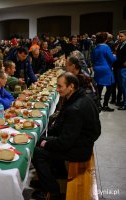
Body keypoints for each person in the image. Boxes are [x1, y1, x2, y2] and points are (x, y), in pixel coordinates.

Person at [32, 72, 101, 200]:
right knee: (42, 140)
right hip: (81, 142)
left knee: (37, 152)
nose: (57, 90)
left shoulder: (75, 108)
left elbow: (63, 143)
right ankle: (54, 175)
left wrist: (45, 143)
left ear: (71, 86)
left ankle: (52, 191)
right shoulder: (81, 97)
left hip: (79, 149)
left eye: (60, 86)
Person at [91, 32, 116, 112]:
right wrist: (115, 56)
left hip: (97, 69)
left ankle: (98, 105)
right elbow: (111, 59)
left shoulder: (95, 48)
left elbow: (93, 59)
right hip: (106, 69)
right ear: (105, 39)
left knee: (99, 87)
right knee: (109, 88)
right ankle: (105, 105)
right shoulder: (106, 47)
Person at [115, 30, 126, 110]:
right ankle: (124, 101)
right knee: (121, 86)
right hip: (119, 67)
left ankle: (125, 104)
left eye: (122, 36)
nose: (120, 37)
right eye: (119, 36)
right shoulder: (120, 44)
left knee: (124, 86)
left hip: (124, 68)